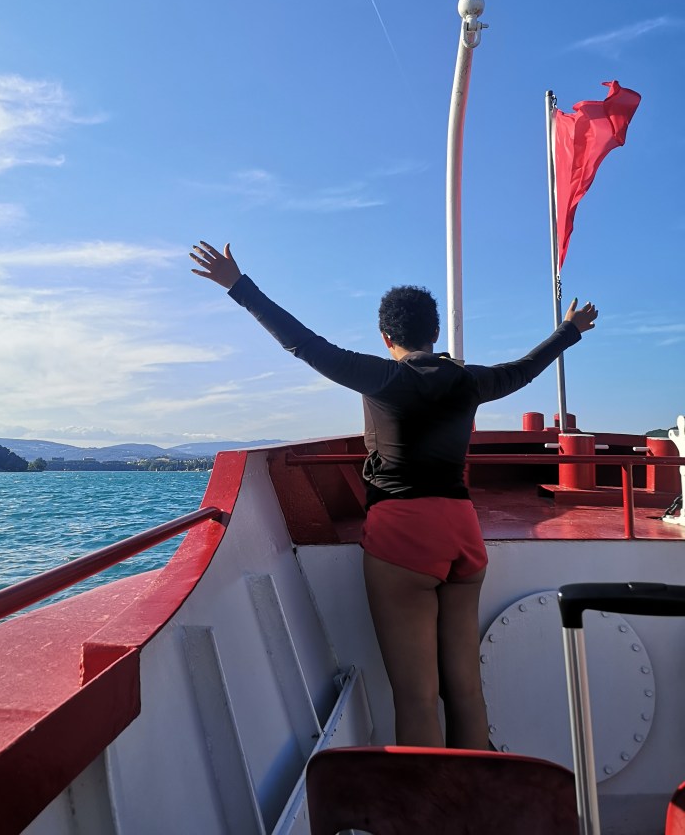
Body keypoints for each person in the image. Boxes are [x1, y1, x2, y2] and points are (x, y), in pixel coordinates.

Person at [190, 239, 598, 748]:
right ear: (436, 332)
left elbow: (302, 343)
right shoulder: (468, 381)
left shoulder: (380, 376)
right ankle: (477, 810)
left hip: (404, 536)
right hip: (462, 535)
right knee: (467, 693)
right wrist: (570, 330)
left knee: (417, 697)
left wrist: (239, 286)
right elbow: (524, 368)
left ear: (386, 337)